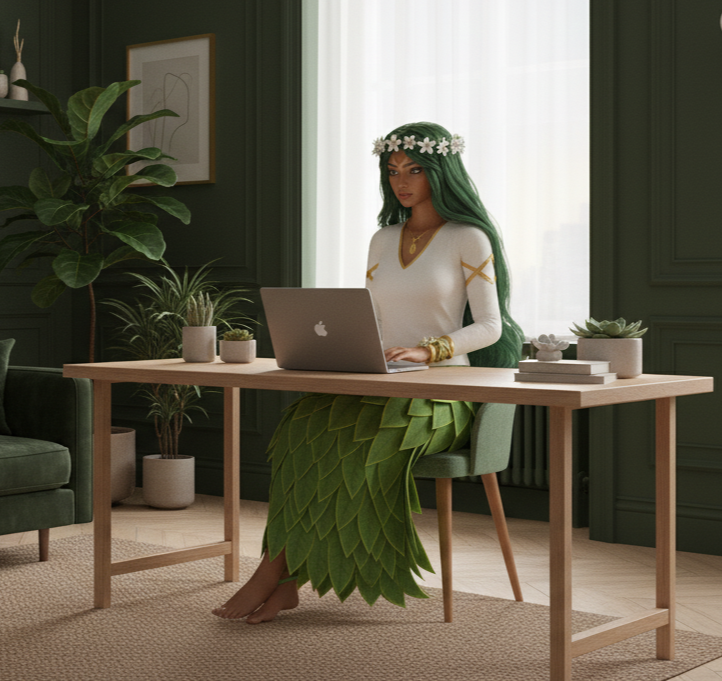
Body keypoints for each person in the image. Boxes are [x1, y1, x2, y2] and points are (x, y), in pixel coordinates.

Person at [212, 121, 525, 624]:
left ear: (441, 172)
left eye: (414, 170)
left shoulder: (468, 237)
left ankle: (274, 577)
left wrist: (430, 351)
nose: (402, 181)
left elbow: (490, 326)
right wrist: (357, 347)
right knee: (300, 428)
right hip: (382, 380)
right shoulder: (382, 239)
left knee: (360, 442)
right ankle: (284, 580)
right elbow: (374, 318)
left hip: (443, 394)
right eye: (393, 170)